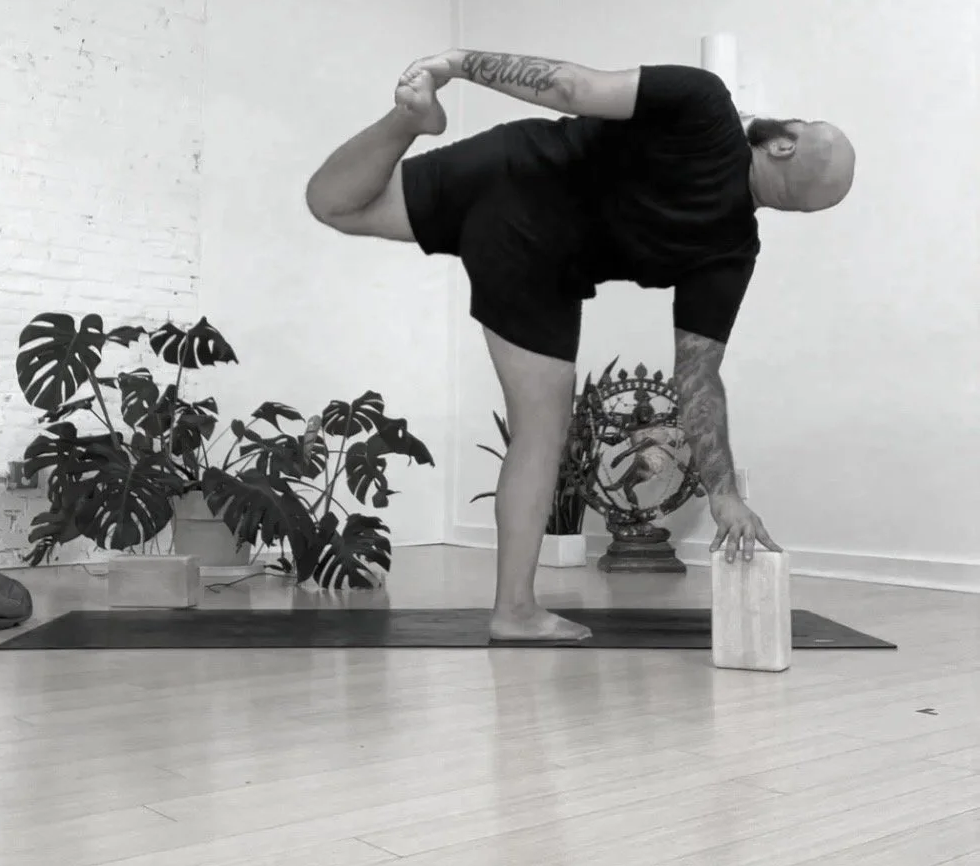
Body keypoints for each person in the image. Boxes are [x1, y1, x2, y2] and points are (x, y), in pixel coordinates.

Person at [306, 49, 856, 642]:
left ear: (783, 143)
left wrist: (456, 64)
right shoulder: (730, 250)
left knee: (333, 203)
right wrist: (723, 496)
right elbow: (697, 378)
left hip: (509, 171)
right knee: (539, 434)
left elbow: (569, 87)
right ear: (793, 205)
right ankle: (513, 610)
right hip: (537, 257)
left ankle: (406, 123)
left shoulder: (705, 103)